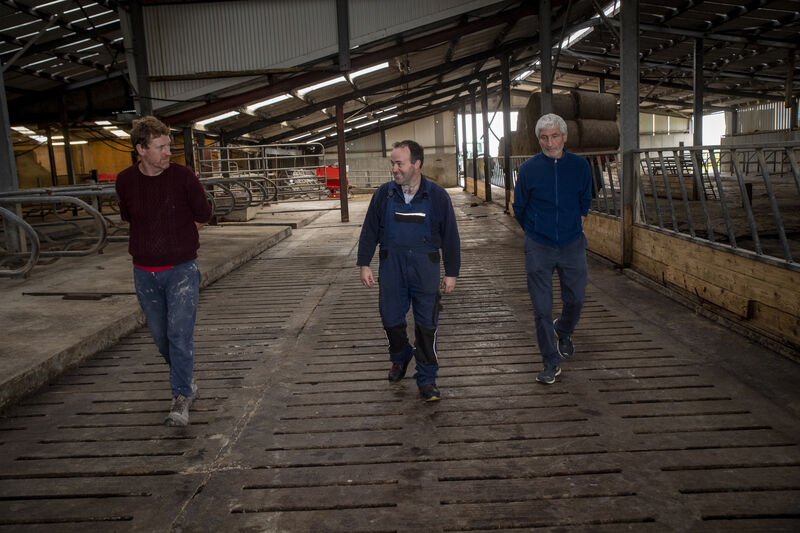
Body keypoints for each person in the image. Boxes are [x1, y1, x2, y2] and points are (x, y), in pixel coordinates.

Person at [115, 116, 212, 425]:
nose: (168, 152)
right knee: (161, 338)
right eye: (161, 147)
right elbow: (130, 216)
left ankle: (181, 397)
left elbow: (204, 213)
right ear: (141, 149)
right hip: (144, 272)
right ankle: (185, 378)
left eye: (169, 146)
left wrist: (180, 238)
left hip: (182, 268)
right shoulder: (125, 181)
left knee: (179, 335)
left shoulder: (183, 178)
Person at [358, 140, 460, 401]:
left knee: (426, 325)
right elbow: (370, 229)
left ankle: (426, 379)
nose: (394, 168)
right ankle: (401, 356)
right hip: (392, 266)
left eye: (399, 163)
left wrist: (452, 272)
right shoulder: (384, 194)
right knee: (390, 319)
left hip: (425, 268)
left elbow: (450, 237)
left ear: (417, 164)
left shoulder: (437, 196)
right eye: (392, 163)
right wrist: (364, 263)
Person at [512, 113, 592, 385]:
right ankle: (550, 361)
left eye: (555, 136)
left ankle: (564, 329)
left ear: (565, 137)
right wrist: (535, 230)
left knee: (576, 298)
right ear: (539, 140)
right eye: (544, 137)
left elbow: (585, 199)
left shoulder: (580, 167)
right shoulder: (528, 169)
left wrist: (576, 222)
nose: (550, 142)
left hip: (572, 243)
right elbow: (519, 207)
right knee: (542, 308)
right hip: (539, 245)